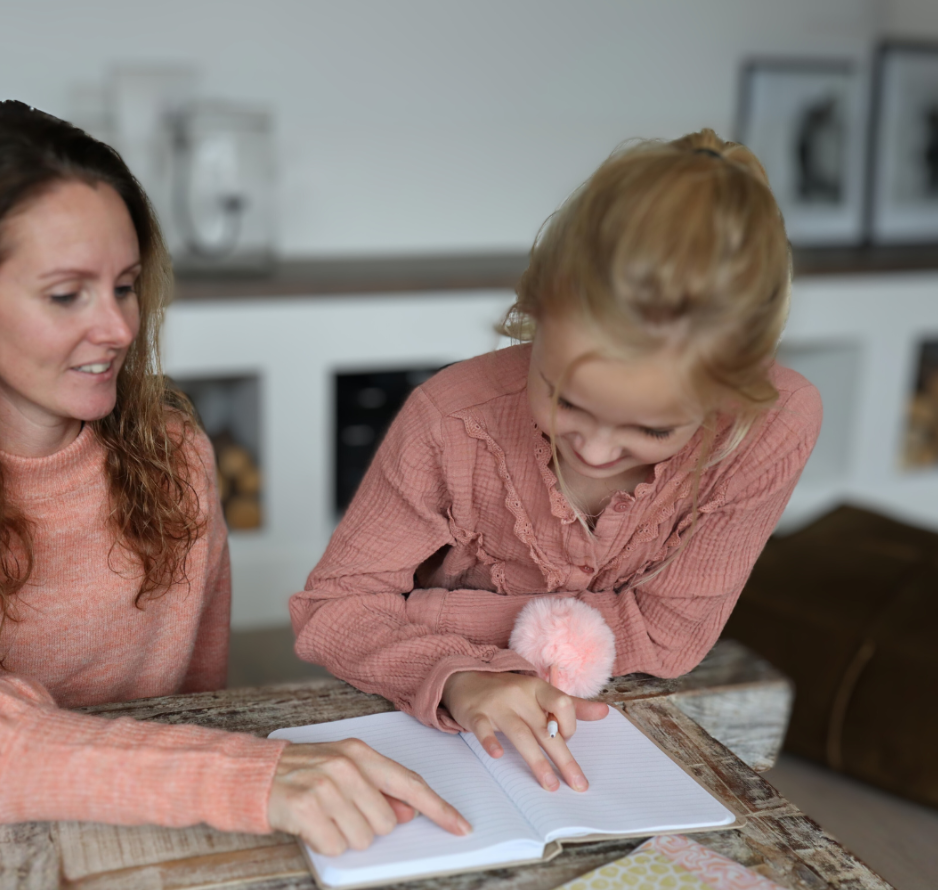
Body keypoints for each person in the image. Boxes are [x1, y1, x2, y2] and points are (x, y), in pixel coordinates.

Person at [0, 102, 469, 857]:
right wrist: (242, 778)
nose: (120, 329)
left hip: (154, 833)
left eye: (124, 286)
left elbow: (197, 708)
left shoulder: (175, 455)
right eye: (67, 294)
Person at [290, 129, 822, 796]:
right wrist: (457, 675)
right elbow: (334, 609)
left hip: (617, 738)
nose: (594, 453)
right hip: (430, 725)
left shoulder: (771, 423)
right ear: (533, 310)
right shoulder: (450, 418)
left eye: (652, 428)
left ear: (730, 392)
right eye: (565, 400)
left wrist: (423, 613)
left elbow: (670, 639)